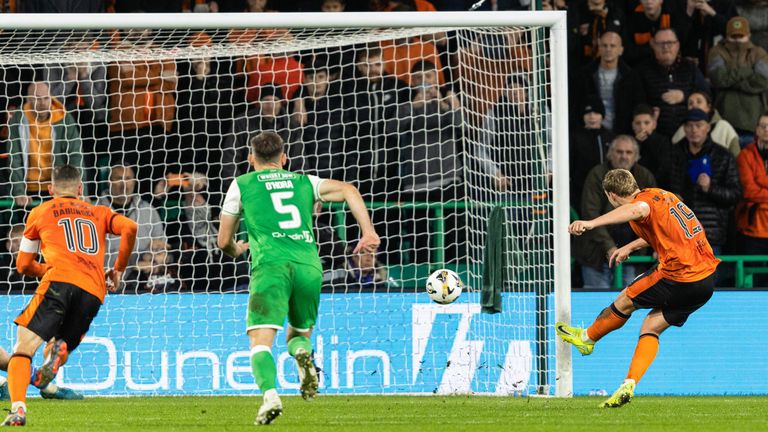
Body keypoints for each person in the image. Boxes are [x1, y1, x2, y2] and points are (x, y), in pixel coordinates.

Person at [217, 131, 379, 425]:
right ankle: (304, 356)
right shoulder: (305, 181)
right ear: (284, 158)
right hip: (309, 266)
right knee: (299, 335)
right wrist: (367, 231)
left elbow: (223, 240)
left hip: (270, 267)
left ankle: (270, 395)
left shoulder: (241, 184)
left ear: (251, 158)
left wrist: (236, 249)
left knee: (261, 342)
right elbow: (349, 189)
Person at [559, 168, 718, 407]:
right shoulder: (661, 195)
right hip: (706, 280)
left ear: (611, 196)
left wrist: (590, 223)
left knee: (626, 298)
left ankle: (587, 338)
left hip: (680, 276)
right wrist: (629, 247)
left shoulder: (641, 204)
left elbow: (637, 209)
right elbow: (661, 228)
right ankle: (629, 384)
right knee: (651, 327)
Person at [1, 165, 137, 426]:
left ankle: (18, 408)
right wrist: (118, 269)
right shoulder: (98, 212)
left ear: (50, 190)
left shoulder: (40, 211)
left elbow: (23, 266)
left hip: (59, 280)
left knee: (23, 348)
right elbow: (130, 227)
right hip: (93, 291)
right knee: (60, 341)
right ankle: (56, 354)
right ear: (80, 188)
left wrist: (45, 269)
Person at [574, 135, 656, 288]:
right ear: (610, 154)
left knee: (630, 300)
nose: (624, 156)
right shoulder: (597, 174)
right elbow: (590, 212)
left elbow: (653, 216)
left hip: (633, 255)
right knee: (596, 301)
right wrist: (609, 247)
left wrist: (654, 245)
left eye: (628, 152)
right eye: (619, 152)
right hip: (596, 252)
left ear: (636, 156)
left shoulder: (645, 176)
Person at [667, 108, 742, 254]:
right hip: (678, 232)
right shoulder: (673, 153)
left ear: (708, 127)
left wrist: (710, 188)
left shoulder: (723, 156)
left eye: (698, 125)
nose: (693, 130)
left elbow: (735, 194)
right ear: (684, 128)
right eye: (689, 125)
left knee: (710, 277)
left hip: (710, 235)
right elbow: (661, 187)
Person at [8, 82, 84, 207]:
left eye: (46, 98)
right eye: (37, 98)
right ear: (28, 100)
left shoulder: (64, 119)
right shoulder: (18, 119)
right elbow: (14, 159)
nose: (42, 103)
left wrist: (80, 191)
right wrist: (19, 191)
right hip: (29, 189)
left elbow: (76, 156)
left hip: (60, 187)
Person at [637, 28, 710, 138]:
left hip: (690, 133)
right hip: (657, 134)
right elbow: (637, 103)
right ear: (653, 45)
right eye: (661, 43)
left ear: (677, 45)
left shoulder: (690, 67)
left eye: (670, 43)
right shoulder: (642, 70)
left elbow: (706, 95)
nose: (665, 47)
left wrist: (684, 97)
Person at [708, 16, 768, 147]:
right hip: (724, 121)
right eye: (733, 37)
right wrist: (747, 71)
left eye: (741, 36)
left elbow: (763, 80)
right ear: (727, 36)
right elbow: (719, 79)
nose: (737, 40)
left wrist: (731, 82)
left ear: (749, 35)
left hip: (753, 122)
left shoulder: (759, 53)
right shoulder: (716, 52)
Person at [735, 113, 768, 255]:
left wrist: (760, 183)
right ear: (756, 130)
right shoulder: (745, 155)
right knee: (752, 275)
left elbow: (755, 190)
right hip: (752, 228)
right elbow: (749, 191)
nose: (767, 130)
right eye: (763, 126)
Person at [671, 90, 740, 157]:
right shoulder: (682, 130)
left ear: (708, 107)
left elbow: (736, 158)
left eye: (699, 102)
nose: (694, 106)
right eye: (690, 103)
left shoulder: (724, 127)